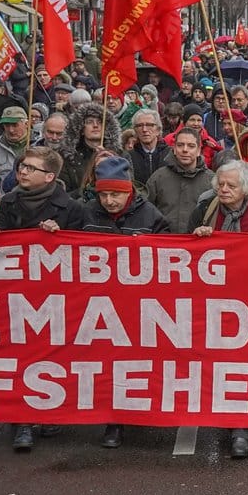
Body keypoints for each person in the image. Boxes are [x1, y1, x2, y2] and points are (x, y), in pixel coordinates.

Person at [0, 147, 87, 449]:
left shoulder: (71, 208)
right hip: (17, 294)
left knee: (55, 356)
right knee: (20, 355)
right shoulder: (7, 202)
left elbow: (86, 251)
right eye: (22, 166)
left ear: (50, 176)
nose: (22, 171)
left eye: (31, 168)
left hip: (58, 297)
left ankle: (52, 412)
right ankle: (21, 421)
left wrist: (62, 236)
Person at [78, 157, 168, 449]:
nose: (109, 201)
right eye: (103, 194)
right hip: (99, 306)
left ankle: (142, 411)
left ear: (128, 191)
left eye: (115, 194)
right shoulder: (86, 213)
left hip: (138, 306)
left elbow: (169, 251)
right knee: (108, 364)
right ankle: (113, 421)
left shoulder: (150, 216)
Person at [146, 127, 214, 233]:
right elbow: (146, 211)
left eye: (191, 146)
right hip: (164, 242)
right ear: (174, 149)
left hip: (198, 243)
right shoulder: (158, 177)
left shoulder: (212, 180)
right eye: (180, 145)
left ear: (198, 150)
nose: (185, 150)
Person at [60, 102, 122, 192]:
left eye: (100, 122)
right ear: (81, 128)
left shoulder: (120, 155)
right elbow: (64, 193)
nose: (95, 125)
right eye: (89, 122)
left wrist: (111, 163)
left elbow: (126, 186)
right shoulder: (68, 157)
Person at [0, 106, 32, 194]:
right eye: (7, 125)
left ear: (26, 124)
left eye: (15, 125)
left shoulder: (38, 145)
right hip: (6, 201)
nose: (11, 130)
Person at [125, 109, 170, 186]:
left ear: (158, 130)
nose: (144, 130)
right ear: (135, 131)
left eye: (149, 125)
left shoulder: (171, 154)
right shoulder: (127, 157)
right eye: (139, 125)